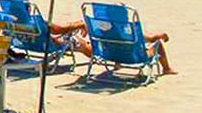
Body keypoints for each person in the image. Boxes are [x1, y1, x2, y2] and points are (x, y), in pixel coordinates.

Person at [45, 14, 174, 75]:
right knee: (157, 44)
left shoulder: (102, 30)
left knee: (100, 44)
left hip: (107, 54)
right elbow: (152, 38)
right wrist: (162, 35)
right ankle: (167, 69)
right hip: (133, 58)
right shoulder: (130, 31)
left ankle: (117, 63)